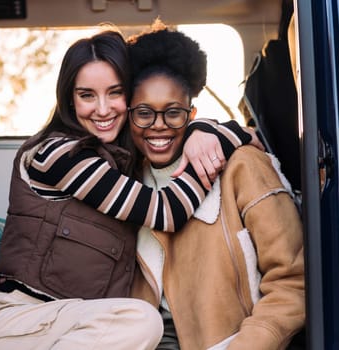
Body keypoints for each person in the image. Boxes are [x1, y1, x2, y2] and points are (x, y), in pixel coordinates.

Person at [0, 29, 257, 350]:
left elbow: (253, 136)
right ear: (69, 98)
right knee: (142, 320)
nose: (102, 109)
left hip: (80, 327)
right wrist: (208, 153)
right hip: (15, 325)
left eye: (114, 92)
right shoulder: (58, 154)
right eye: (87, 95)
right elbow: (166, 212)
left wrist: (204, 131)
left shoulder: (122, 164)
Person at [126, 23, 305, 350]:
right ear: (128, 116)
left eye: (173, 113)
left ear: (192, 113)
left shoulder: (243, 167)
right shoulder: (125, 183)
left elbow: (293, 284)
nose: (158, 126)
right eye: (144, 113)